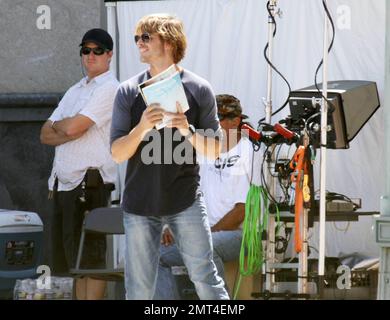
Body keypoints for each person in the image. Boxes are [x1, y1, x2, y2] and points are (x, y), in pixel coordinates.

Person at [110, 13, 229, 300]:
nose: (139, 43)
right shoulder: (128, 91)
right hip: (139, 202)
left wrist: (187, 130)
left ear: (169, 41)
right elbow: (116, 154)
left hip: (184, 198)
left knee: (205, 277)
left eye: (146, 37)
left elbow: (215, 149)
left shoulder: (199, 88)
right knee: (138, 288)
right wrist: (141, 128)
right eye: (137, 37)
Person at [40, 28, 119, 300]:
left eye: (98, 50)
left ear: (110, 54)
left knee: (92, 260)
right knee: (74, 262)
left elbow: (72, 129)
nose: (91, 55)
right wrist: (69, 125)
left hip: (91, 184)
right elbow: (44, 133)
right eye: (86, 50)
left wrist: (65, 125)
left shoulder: (110, 88)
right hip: (64, 184)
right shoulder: (75, 89)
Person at [155, 94, 259, 299]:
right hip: (203, 234)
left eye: (217, 117)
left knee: (206, 247)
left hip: (241, 235)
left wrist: (203, 234)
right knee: (155, 254)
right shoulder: (202, 151)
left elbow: (242, 210)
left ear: (236, 121)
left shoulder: (250, 151)